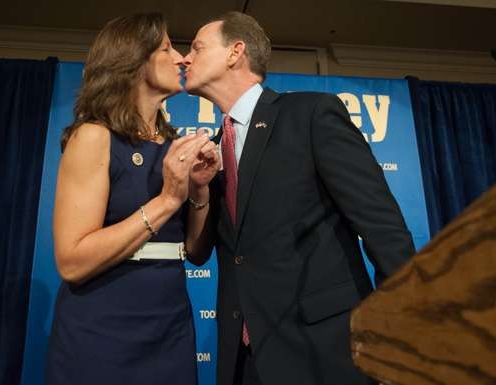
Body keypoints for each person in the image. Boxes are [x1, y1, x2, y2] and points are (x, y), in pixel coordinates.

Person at [182, 11, 416, 385]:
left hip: (324, 351)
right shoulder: (211, 151)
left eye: (196, 47)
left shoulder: (310, 114)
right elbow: (202, 252)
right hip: (245, 359)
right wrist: (197, 190)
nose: (185, 58)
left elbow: (383, 228)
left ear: (235, 52)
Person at [46, 12, 219, 385]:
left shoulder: (175, 146)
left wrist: (200, 190)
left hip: (170, 327)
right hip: (103, 330)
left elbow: (196, 252)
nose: (182, 58)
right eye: (167, 48)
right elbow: (72, 262)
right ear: (133, 60)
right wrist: (168, 200)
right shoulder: (94, 136)